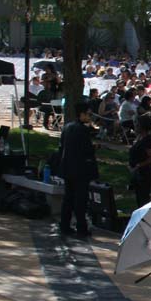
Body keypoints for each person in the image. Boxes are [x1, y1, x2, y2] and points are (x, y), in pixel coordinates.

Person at [57, 102, 99, 239]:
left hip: (67, 168)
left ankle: (64, 225)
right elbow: (86, 150)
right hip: (80, 170)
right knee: (80, 200)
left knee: (68, 198)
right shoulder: (83, 130)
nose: (89, 117)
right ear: (81, 114)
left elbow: (62, 146)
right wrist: (94, 148)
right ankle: (81, 227)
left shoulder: (67, 127)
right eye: (88, 114)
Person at [128, 114, 151, 207]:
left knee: (143, 198)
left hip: (145, 172)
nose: (135, 126)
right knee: (138, 197)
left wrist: (138, 165)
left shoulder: (148, 140)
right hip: (137, 172)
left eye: (137, 124)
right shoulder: (138, 138)